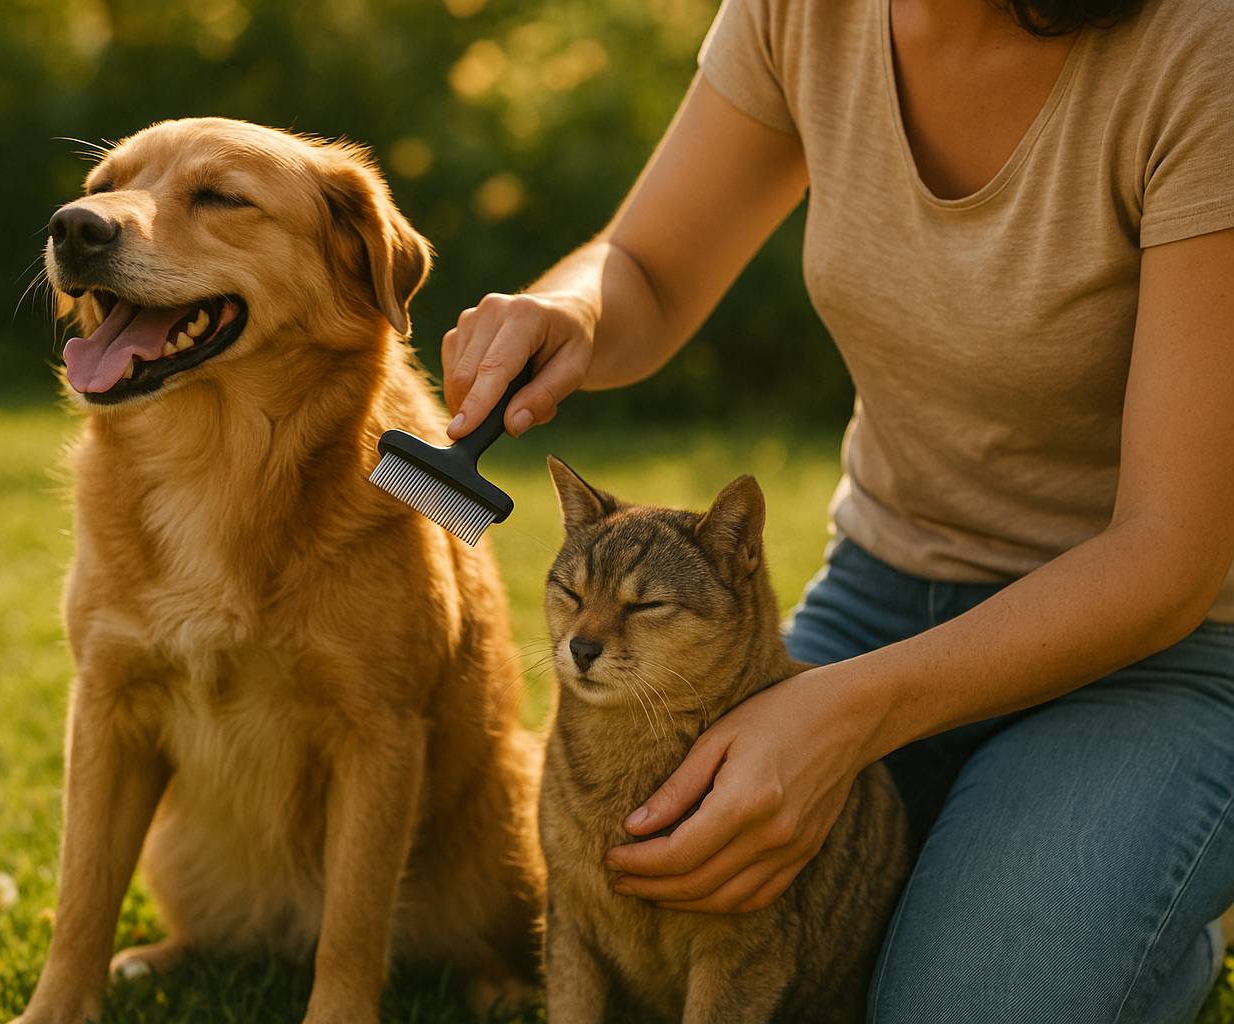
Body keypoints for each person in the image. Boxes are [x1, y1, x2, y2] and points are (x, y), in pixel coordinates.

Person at [439, 0, 1234, 1018]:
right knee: (695, 893)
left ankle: (1155, 892)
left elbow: (1170, 555)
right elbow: (647, 266)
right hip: (885, 594)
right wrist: (572, 309)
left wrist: (845, 718)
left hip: (1157, 652)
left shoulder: (1199, 51)